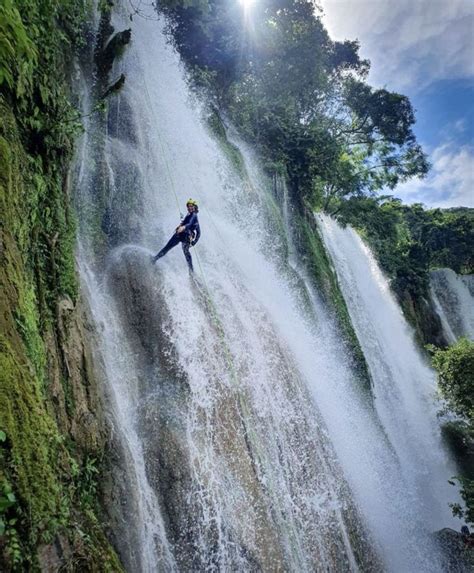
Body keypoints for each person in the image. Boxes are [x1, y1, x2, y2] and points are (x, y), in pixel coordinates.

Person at [152, 199, 201, 272]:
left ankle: (191, 271)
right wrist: (181, 224)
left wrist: (194, 241)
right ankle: (154, 259)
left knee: (186, 252)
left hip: (186, 237)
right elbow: (188, 224)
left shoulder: (194, 215)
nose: (189, 208)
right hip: (180, 235)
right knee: (168, 247)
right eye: (188, 206)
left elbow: (194, 228)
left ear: (194, 207)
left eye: (191, 206)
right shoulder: (189, 215)